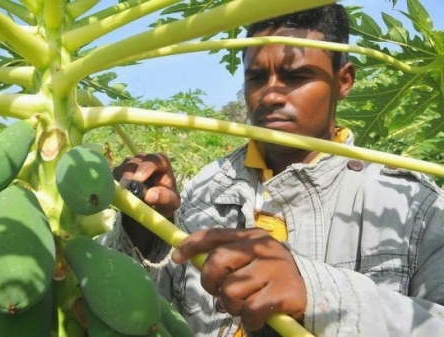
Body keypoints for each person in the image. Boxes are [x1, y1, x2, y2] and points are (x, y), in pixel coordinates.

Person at [99, 4, 444, 337]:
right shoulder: (203, 190)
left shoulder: (413, 206)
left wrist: (315, 291)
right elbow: (144, 314)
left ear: (344, 81)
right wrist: (141, 232)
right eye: (256, 77)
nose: (270, 95)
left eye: (296, 76)